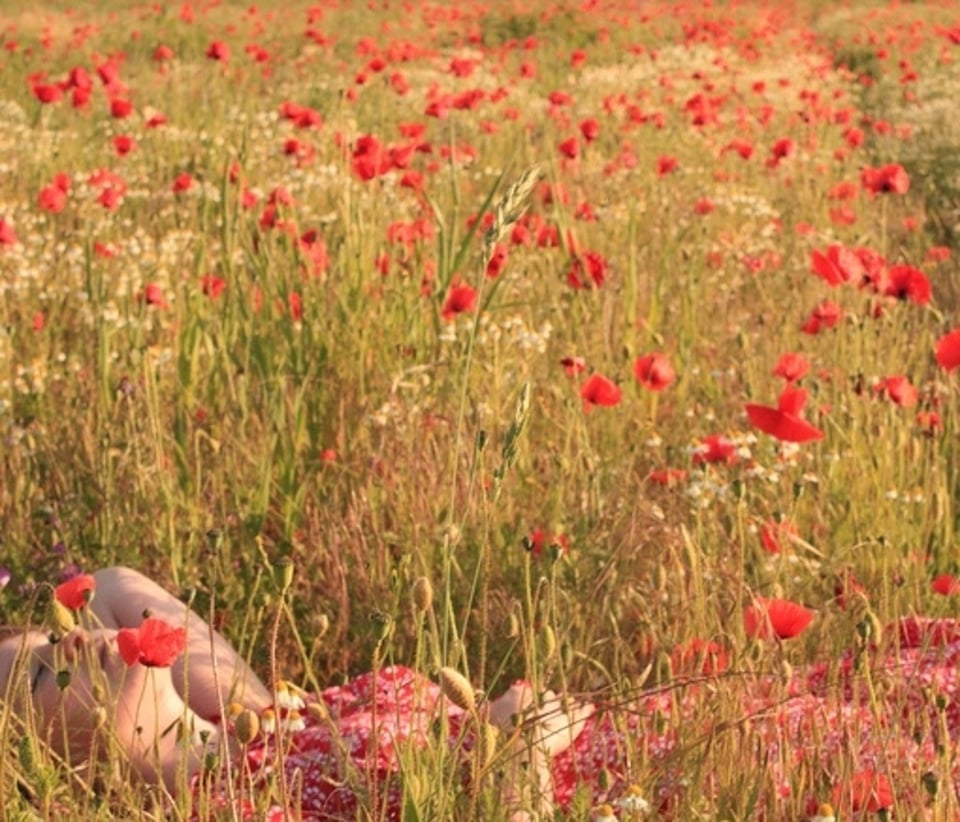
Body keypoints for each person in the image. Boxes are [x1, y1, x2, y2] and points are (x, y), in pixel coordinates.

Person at [0, 566, 591, 820]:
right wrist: (520, 744)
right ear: (48, 769)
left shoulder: (275, 726)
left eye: (53, 634)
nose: (71, 640)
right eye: (39, 674)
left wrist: (254, 711)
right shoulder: (237, 810)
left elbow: (109, 583)